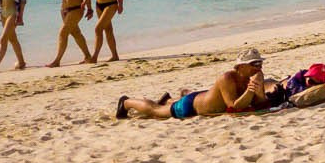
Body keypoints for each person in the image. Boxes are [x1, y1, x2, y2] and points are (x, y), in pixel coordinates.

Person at [117, 48, 275, 121]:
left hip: (202, 99)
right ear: (241, 67)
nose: (258, 67)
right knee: (155, 111)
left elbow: (261, 103)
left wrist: (257, 91)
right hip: (190, 106)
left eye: (260, 63)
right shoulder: (227, 78)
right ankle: (126, 102)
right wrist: (250, 90)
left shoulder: (255, 76)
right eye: (254, 64)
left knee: (162, 107)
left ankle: (168, 99)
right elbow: (234, 107)